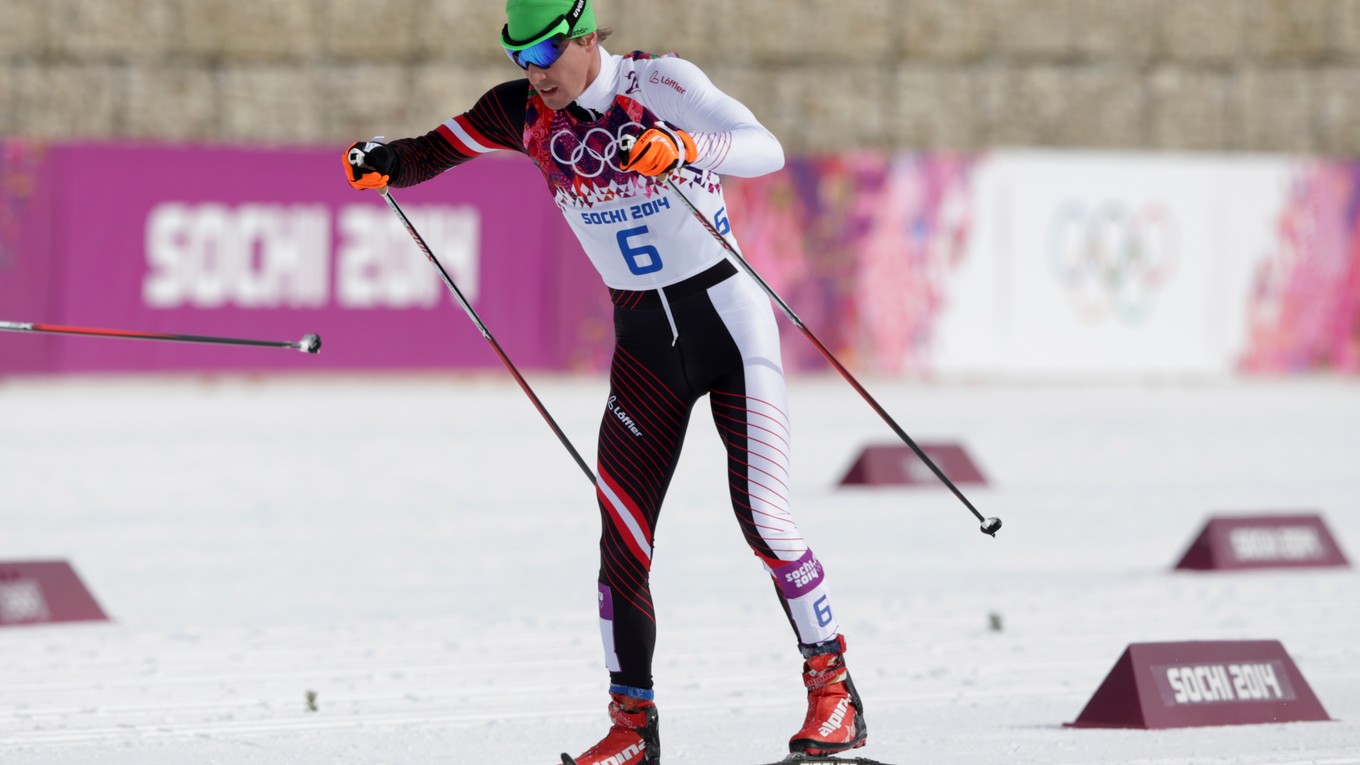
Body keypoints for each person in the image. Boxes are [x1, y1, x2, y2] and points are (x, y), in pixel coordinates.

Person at [342, 1, 866, 762]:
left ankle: (834, 691)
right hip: (644, 341)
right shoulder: (518, 110)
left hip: (726, 321)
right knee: (621, 535)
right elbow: (433, 149)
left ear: (587, 35)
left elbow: (766, 149)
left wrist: (684, 146)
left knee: (764, 516)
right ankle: (633, 727)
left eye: (548, 50)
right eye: (519, 54)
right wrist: (382, 159)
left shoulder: (661, 82)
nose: (536, 70)